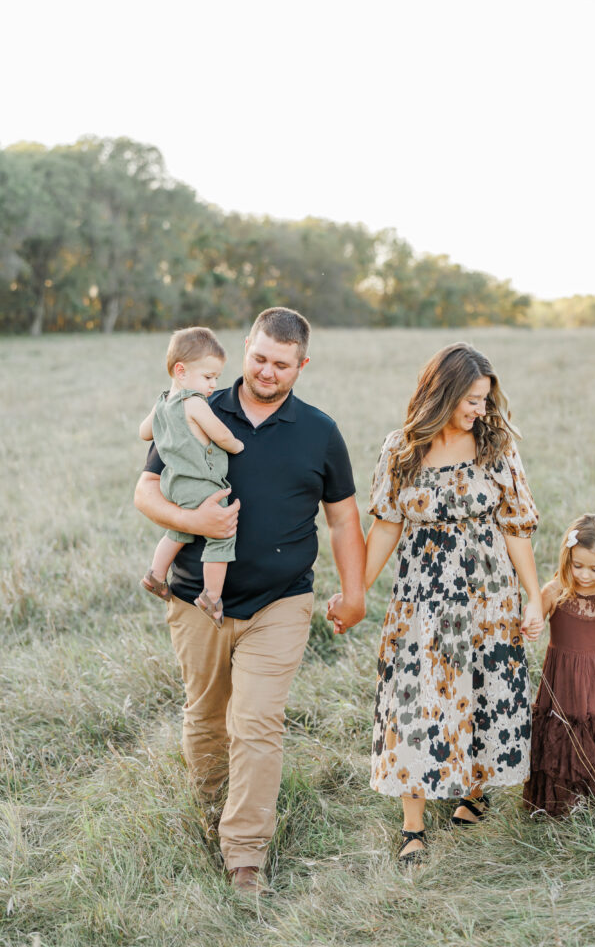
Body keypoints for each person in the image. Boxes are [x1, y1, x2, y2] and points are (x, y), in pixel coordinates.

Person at [134, 307, 365, 893]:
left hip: (281, 602)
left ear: (301, 365)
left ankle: (244, 856)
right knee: (207, 717)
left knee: (257, 722)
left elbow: (341, 520)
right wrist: (194, 520)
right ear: (245, 348)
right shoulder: (196, 406)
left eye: (281, 364)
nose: (267, 371)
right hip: (195, 598)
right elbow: (146, 491)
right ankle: (214, 810)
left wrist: (356, 591)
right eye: (259, 357)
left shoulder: (320, 430)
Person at [333, 342, 544, 864]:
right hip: (423, 597)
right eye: (472, 399)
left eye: (485, 400)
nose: (481, 410)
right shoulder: (401, 448)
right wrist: (356, 590)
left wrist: (534, 598)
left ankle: (475, 789)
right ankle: (413, 825)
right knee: (418, 698)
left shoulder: (496, 449)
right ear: (444, 391)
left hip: (489, 593)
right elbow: (384, 526)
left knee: (483, 690)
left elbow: (516, 528)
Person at [523, 513, 595, 817]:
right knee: (564, 730)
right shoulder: (555, 591)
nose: (584, 575)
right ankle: (558, 802)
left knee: (594, 727)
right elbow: (535, 621)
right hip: (563, 679)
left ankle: (591, 800)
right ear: (566, 558)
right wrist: (530, 623)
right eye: (577, 565)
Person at [138, 326, 244, 625]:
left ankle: (156, 575)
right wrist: (236, 445)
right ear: (181, 371)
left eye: (216, 378)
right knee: (221, 534)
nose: (213, 385)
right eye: (208, 377)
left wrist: (162, 422)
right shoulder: (195, 402)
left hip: (174, 486)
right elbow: (220, 433)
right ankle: (211, 596)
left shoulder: (162, 404)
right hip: (200, 485)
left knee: (178, 532)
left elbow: (144, 433)